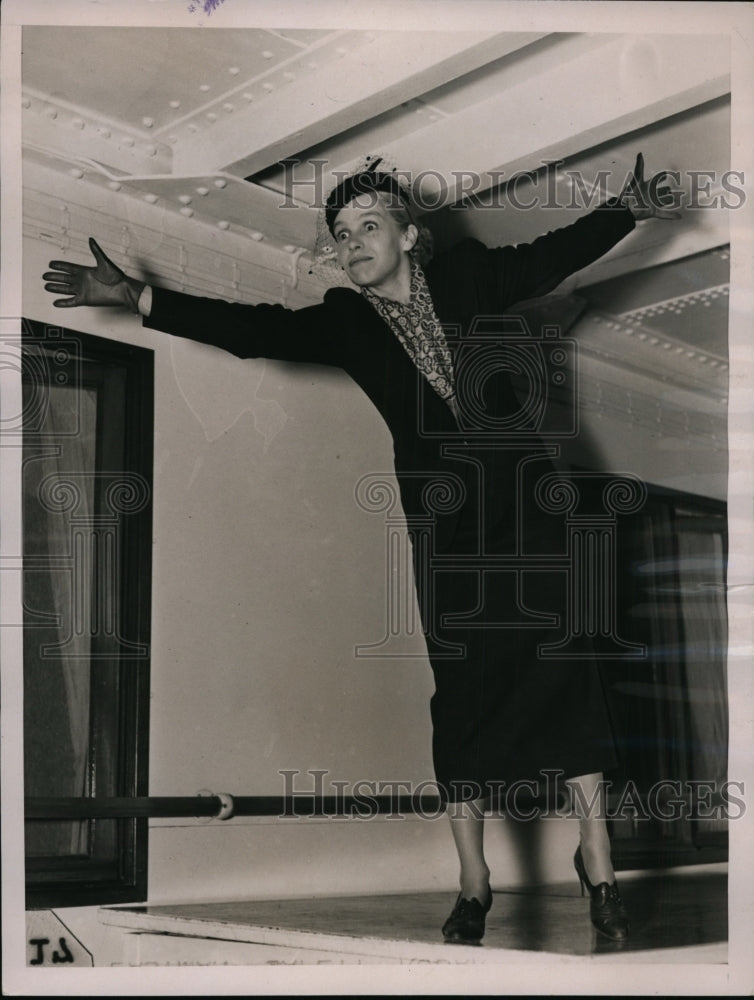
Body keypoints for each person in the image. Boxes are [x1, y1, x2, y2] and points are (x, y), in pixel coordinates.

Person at [43, 152, 680, 945]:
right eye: (340, 235)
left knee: (568, 669)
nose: (351, 244)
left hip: (527, 511)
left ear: (411, 237)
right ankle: (474, 879)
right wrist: (140, 297)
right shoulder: (347, 321)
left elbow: (551, 254)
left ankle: (598, 858)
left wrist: (623, 210)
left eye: (368, 227)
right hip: (446, 528)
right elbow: (254, 331)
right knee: (463, 692)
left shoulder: (474, 278)